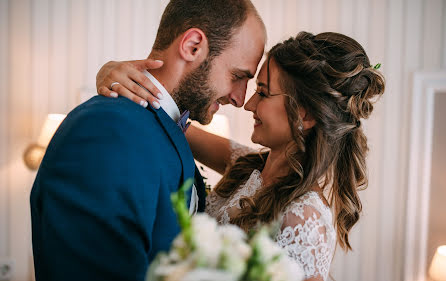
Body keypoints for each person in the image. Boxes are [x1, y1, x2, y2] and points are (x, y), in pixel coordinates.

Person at [96, 31, 385, 281]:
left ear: (305, 114)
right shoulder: (246, 165)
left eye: (263, 91)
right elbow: (175, 124)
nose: (248, 104)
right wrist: (116, 74)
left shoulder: (304, 220)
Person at [30, 0, 265, 281]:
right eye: (238, 76)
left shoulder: (161, 126)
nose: (240, 99)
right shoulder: (108, 131)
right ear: (193, 46)